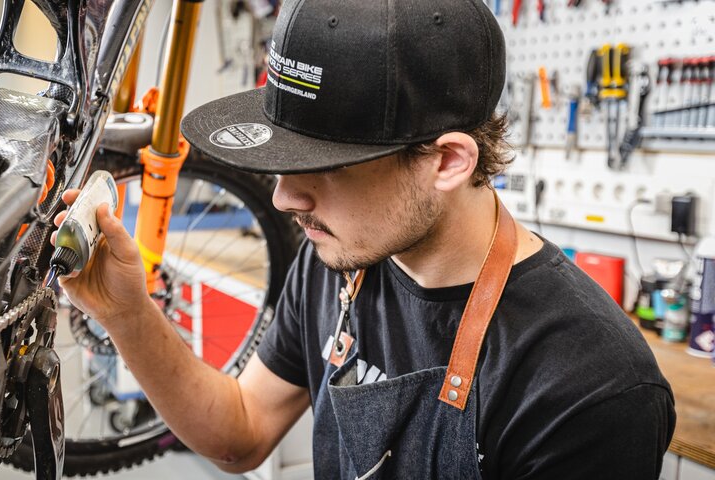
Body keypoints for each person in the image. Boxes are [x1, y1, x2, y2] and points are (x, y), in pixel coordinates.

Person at [53, 0, 676, 477]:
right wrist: (127, 313)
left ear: (447, 161)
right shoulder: (336, 261)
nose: (283, 200)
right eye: (281, 162)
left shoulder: (590, 386)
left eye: (326, 166)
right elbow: (242, 431)